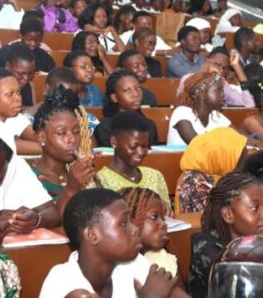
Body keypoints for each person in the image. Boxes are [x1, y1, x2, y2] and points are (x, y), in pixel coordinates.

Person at [35, 189, 204, 298]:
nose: (135, 229)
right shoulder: (62, 281)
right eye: (123, 224)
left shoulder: (130, 262)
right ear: (92, 235)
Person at [29, 87, 97, 215]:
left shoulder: (84, 173)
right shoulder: (29, 176)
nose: (72, 139)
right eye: (61, 133)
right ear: (41, 137)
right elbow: (46, 220)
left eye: (76, 132)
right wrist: (72, 187)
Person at [96, 111, 169, 202]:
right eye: (133, 147)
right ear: (114, 141)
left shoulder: (155, 176)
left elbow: (167, 214)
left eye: (145, 146)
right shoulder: (101, 181)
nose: (141, 152)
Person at [94, 70, 159, 146]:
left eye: (137, 88)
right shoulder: (105, 127)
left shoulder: (149, 125)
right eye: (127, 90)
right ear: (114, 97)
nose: (135, 94)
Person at [167, 71, 232, 146]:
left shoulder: (215, 116)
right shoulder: (182, 112)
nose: (223, 95)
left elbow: (241, 140)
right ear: (202, 93)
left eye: (222, 91)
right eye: (218, 90)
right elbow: (199, 145)